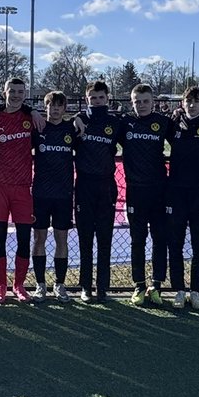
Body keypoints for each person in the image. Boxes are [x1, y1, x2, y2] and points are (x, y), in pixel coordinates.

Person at [119, 84, 172, 306]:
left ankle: (156, 285)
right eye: (137, 101)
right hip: (135, 191)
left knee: (160, 239)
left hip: (159, 191)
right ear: (132, 103)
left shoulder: (163, 123)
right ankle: (139, 285)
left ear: (153, 102)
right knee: (137, 240)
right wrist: (80, 118)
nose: (141, 105)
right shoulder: (125, 124)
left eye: (145, 101)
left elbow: (185, 137)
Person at [0, 77, 39, 303]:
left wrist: (34, 110)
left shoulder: (31, 118)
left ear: (25, 94)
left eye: (20, 91)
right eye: (12, 91)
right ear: (4, 92)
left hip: (23, 187)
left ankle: (19, 285)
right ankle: (1, 286)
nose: (16, 95)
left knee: (24, 238)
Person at [166, 86, 199, 309]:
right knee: (175, 243)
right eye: (188, 101)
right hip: (176, 194)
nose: (192, 104)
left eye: (196, 101)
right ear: (182, 103)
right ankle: (178, 289)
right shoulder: (173, 124)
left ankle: (196, 289)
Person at [73, 80, 122, 302]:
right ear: (86, 99)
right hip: (84, 186)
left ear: (107, 99)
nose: (97, 101)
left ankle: (102, 287)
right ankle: (85, 286)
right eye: (93, 98)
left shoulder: (115, 122)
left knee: (104, 239)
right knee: (85, 239)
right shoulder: (80, 121)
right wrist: (75, 121)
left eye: (101, 97)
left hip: (106, 187)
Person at [31, 90, 75, 302]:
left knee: (61, 239)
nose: (55, 109)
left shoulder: (71, 129)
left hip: (64, 194)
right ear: (45, 107)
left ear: (64, 109)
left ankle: (59, 284)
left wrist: (81, 120)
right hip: (40, 193)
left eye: (59, 106)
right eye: (51, 105)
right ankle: (40, 285)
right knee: (39, 238)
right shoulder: (37, 128)